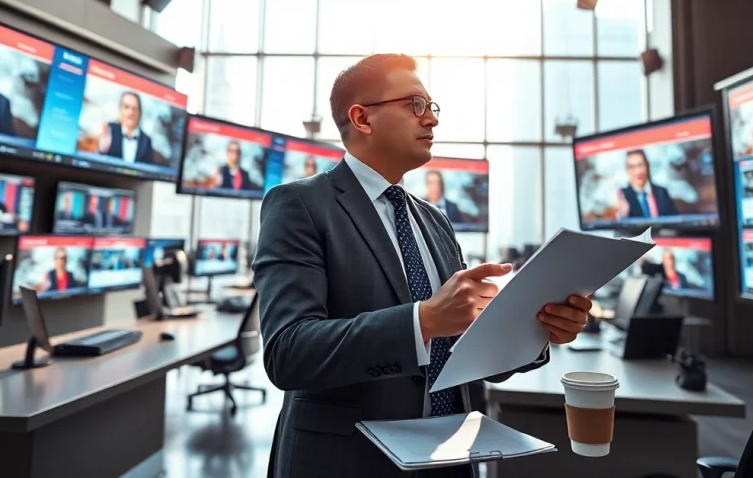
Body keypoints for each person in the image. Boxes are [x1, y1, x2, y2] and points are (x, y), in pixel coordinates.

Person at [253, 54, 591, 478]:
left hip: (450, 457)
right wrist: (423, 321)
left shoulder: (434, 220)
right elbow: (289, 352)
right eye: (415, 104)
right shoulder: (299, 205)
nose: (431, 120)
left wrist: (537, 329)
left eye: (432, 108)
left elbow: (471, 349)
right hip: (348, 462)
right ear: (362, 118)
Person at [616, 149, 678, 218]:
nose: (638, 171)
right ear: (627, 170)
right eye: (632, 167)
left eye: (640, 165)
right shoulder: (623, 196)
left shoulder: (662, 192)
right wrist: (623, 216)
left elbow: (675, 220)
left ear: (647, 166)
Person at [98, 91, 155, 164]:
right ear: (120, 109)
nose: (131, 112)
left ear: (140, 113)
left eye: (134, 108)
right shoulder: (110, 129)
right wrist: (101, 150)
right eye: (126, 107)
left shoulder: (146, 140)